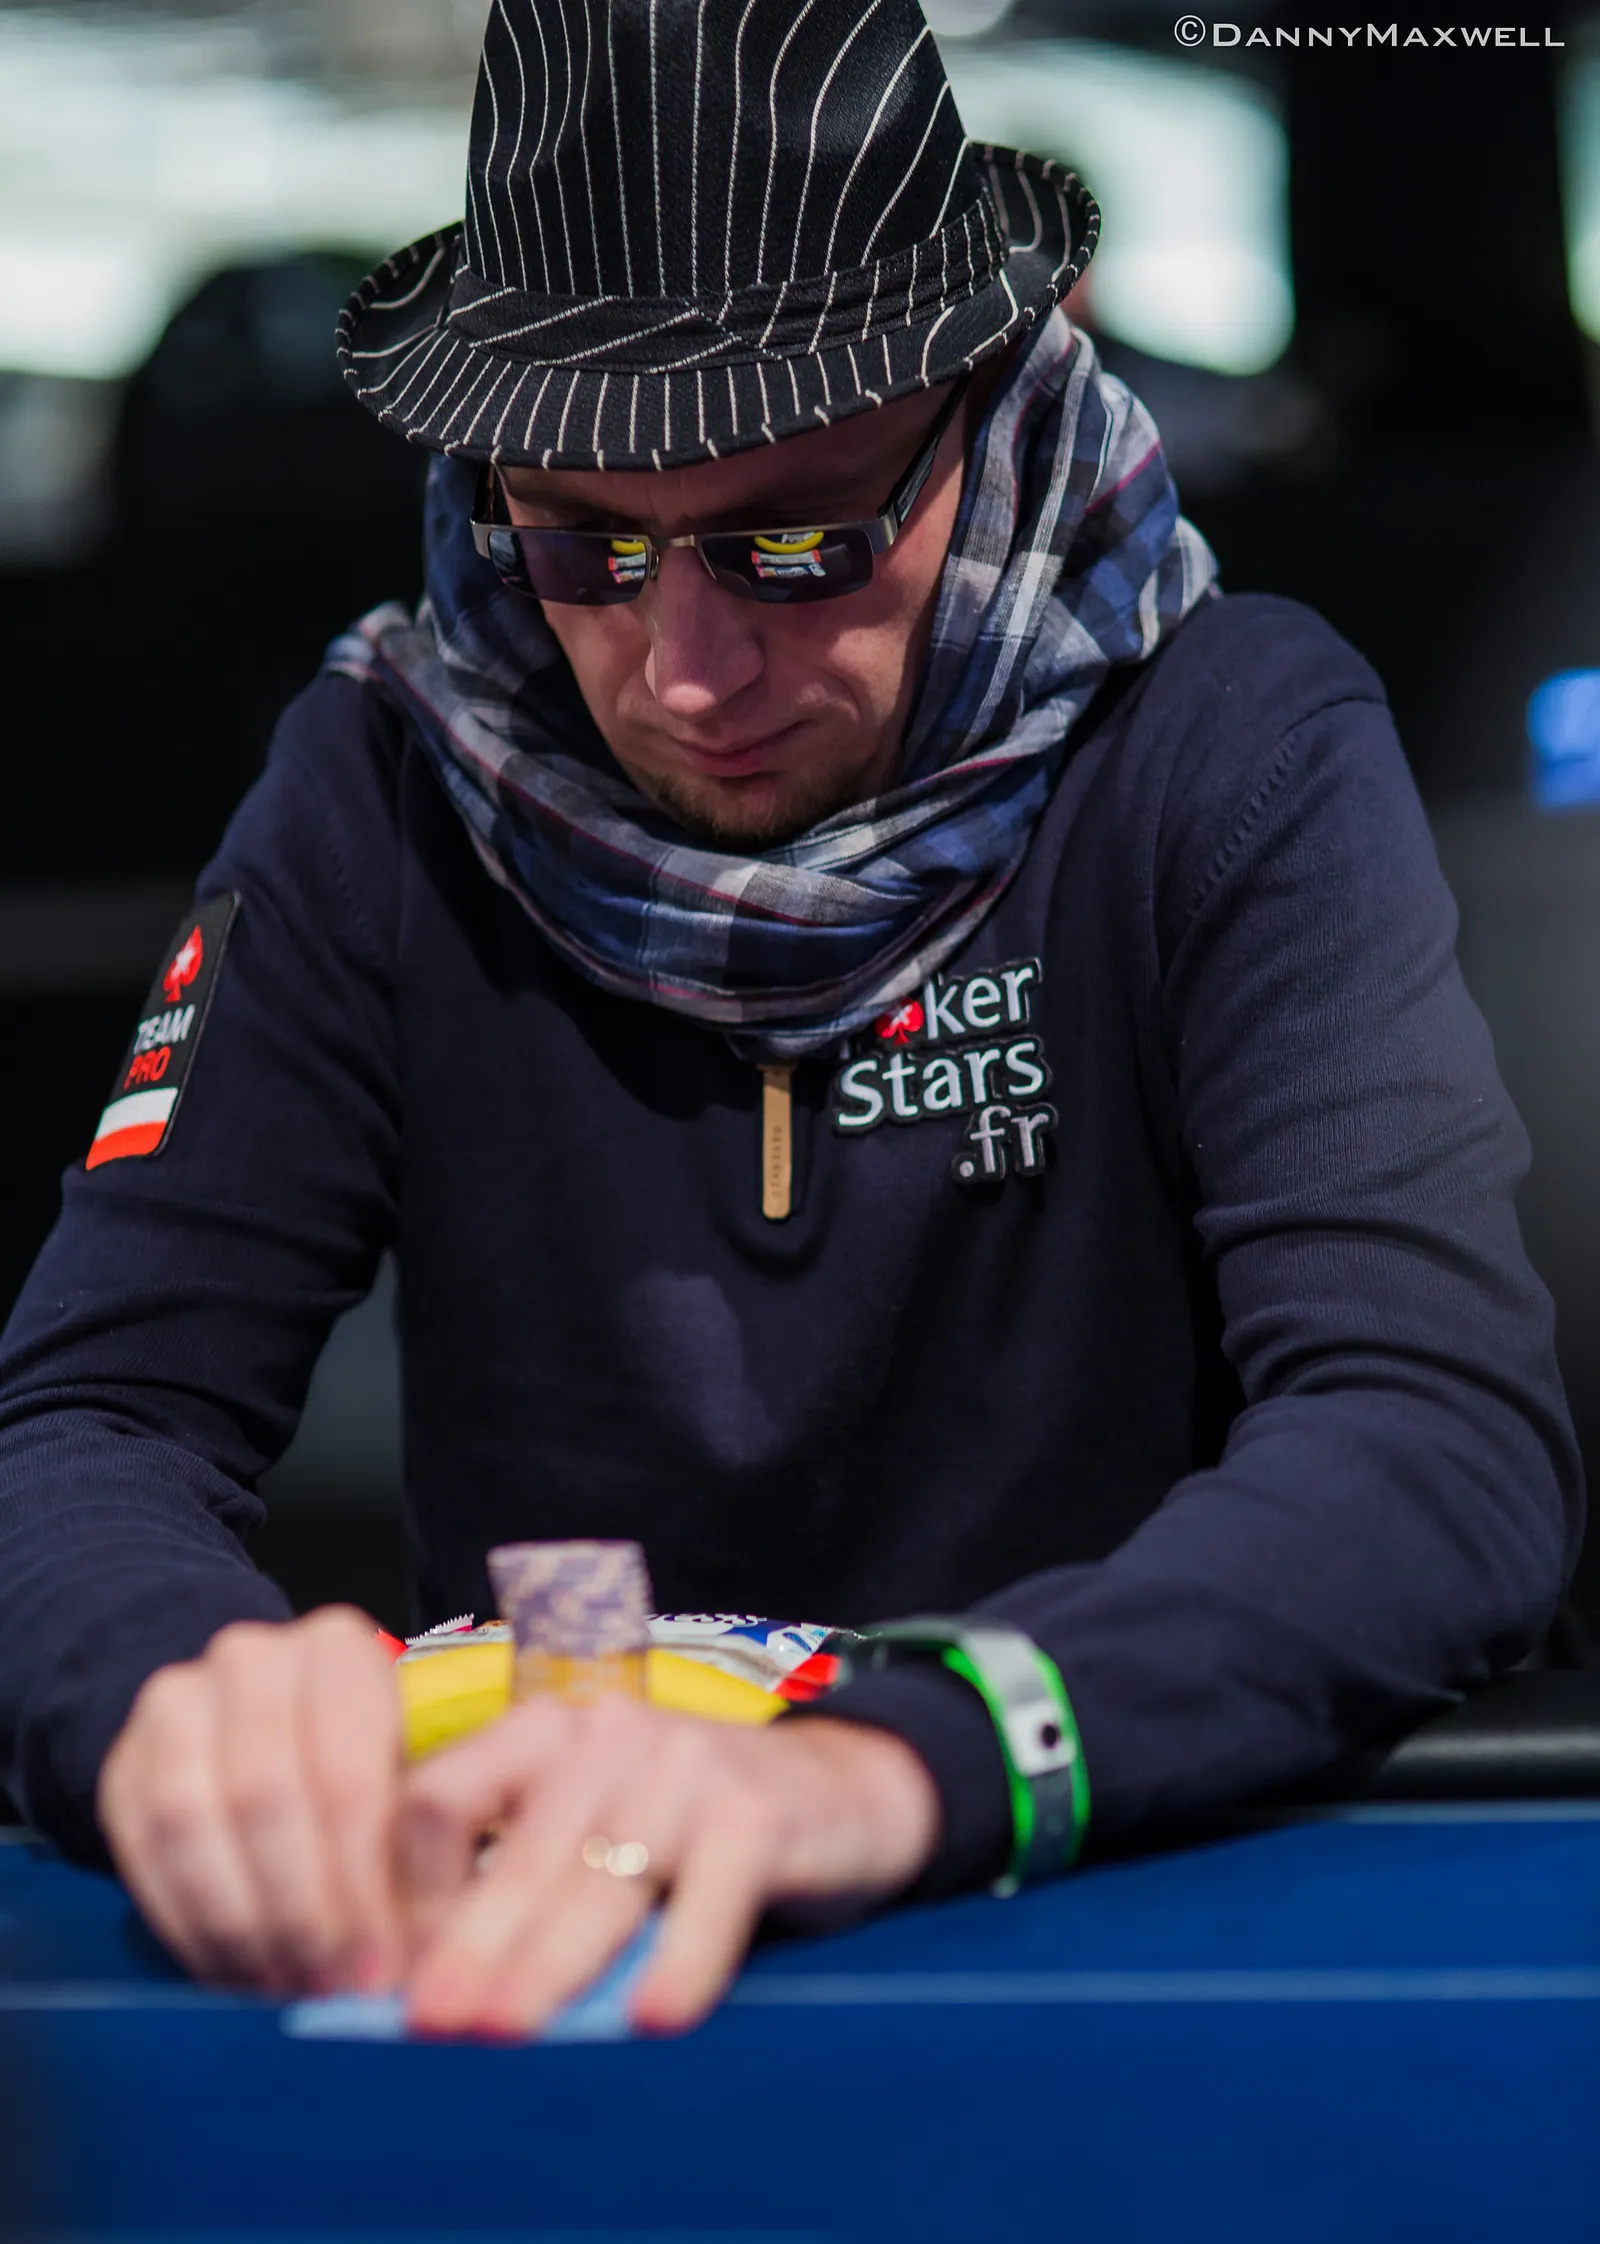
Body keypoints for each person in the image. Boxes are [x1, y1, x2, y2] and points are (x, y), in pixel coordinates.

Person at [0, 0, 1580, 2040]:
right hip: (526, 1960)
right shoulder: (377, 783)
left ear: (991, 405)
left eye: (794, 542)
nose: (686, 671)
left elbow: (1432, 1443)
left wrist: (887, 1758)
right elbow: (88, 1423)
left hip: (1106, 1929)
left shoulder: (1231, 745)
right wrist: (170, 1701)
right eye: (579, 542)